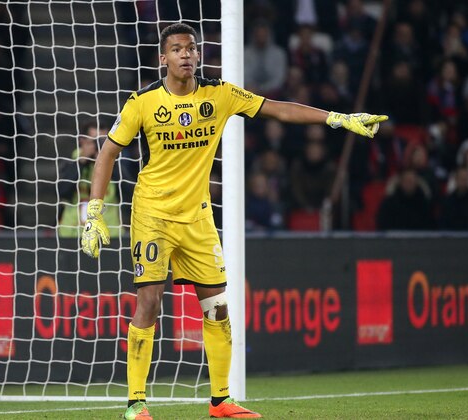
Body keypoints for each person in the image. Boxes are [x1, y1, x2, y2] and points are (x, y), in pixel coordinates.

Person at [80, 23, 386, 420]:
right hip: (153, 214)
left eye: (191, 48)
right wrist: (94, 210)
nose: (186, 55)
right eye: (177, 49)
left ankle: (221, 401)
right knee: (150, 301)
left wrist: (338, 119)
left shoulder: (220, 94)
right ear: (163, 59)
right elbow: (106, 154)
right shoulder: (142, 103)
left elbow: (277, 108)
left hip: (197, 218)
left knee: (218, 308)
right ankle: (136, 403)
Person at [58, 120, 122, 238]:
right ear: (82, 141)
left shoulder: (115, 162)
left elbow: (129, 194)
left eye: (103, 141)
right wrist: (81, 162)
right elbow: (62, 192)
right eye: (95, 141)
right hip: (73, 232)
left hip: (109, 233)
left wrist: (108, 162)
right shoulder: (72, 161)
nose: (99, 145)